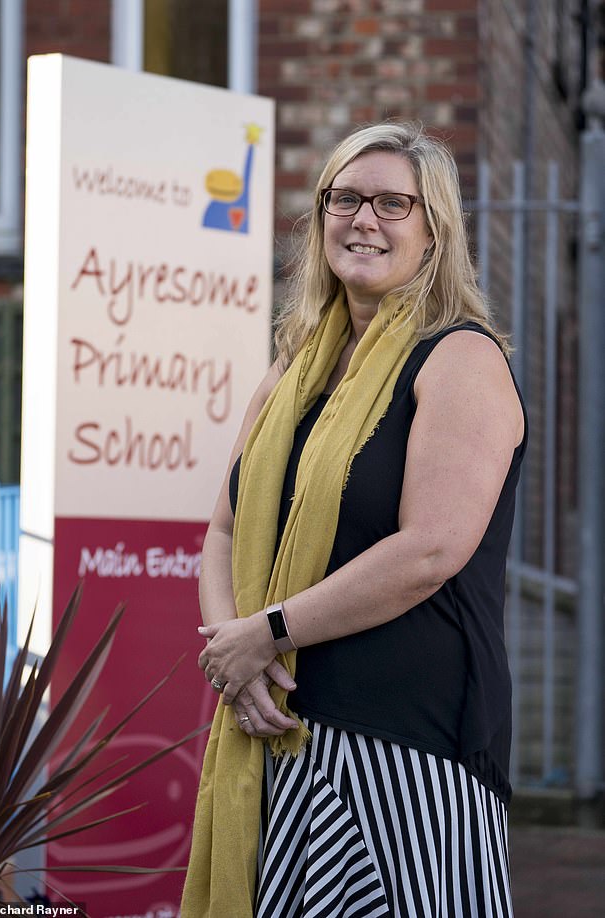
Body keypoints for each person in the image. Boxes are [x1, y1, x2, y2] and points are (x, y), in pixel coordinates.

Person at [180, 121, 526, 918]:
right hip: (280, 729)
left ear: (434, 230)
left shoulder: (459, 358)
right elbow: (226, 530)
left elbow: (429, 550)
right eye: (345, 197)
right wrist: (235, 654)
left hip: (407, 745)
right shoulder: (292, 369)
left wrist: (266, 632)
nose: (363, 219)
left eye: (392, 203)